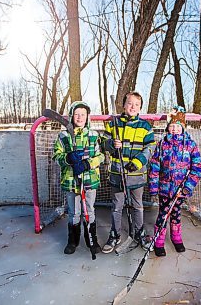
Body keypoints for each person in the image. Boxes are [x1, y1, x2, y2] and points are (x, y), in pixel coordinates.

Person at [101, 91, 156, 253]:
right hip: (117, 175)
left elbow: (150, 147)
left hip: (136, 175)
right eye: (130, 103)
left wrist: (138, 162)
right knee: (117, 206)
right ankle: (115, 234)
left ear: (140, 108)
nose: (132, 107)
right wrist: (112, 144)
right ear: (124, 105)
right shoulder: (113, 124)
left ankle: (139, 233)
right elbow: (103, 143)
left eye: (136, 105)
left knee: (137, 206)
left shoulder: (145, 127)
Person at [148, 106, 201, 257]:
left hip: (180, 190)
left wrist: (187, 187)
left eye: (177, 126)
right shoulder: (162, 145)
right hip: (164, 189)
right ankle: (159, 240)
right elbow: (154, 167)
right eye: (171, 126)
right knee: (163, 213)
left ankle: (176, 237)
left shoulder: (190, 145)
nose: (174, 129)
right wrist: (153, 188)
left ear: (183, 127)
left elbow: (197, 167)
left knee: (176, 213)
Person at [53, 101, 104, 256]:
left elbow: (100, 156)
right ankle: (73, 240)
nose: (80, 117)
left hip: (89, 180)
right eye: (77, 114)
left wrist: (89, 164)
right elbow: (56, 156)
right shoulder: (64, 135)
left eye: (83, 114)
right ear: (71, 116)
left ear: (87, 116)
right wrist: (68, 158)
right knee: (74, 212)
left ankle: (92, 240)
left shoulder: (94, 135)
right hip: (71, 180)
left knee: (89, 210)